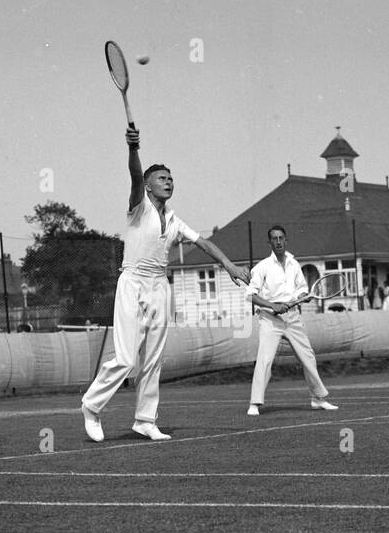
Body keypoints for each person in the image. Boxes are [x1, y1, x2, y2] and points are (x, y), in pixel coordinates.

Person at [82, 128, 249, 441]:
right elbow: (134, 174)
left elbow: (203, 242)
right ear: (148, 185)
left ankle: (145, 420)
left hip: (160, 286)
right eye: (161, 178)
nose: (168, 182)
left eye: (171, 179)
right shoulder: (138, 206)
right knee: (127, 357)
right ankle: (91, 406)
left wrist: (228, 264)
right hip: (132, 281)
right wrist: (133, 150)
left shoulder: (175, 219)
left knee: (154, 358)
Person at [245, 226, 338, 415]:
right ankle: (254, 403)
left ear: (286, 240)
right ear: (269, 242)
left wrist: (304, 295)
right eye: (274, 239)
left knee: (308, 357)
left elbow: (302, 289)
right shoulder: (262, 267)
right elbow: (251, 295)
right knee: (265, 359)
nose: (278, 241)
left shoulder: (294, 264)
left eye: (281, 238)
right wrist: (272, 305)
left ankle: (318, 399)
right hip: (270, 319)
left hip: (293, 317)